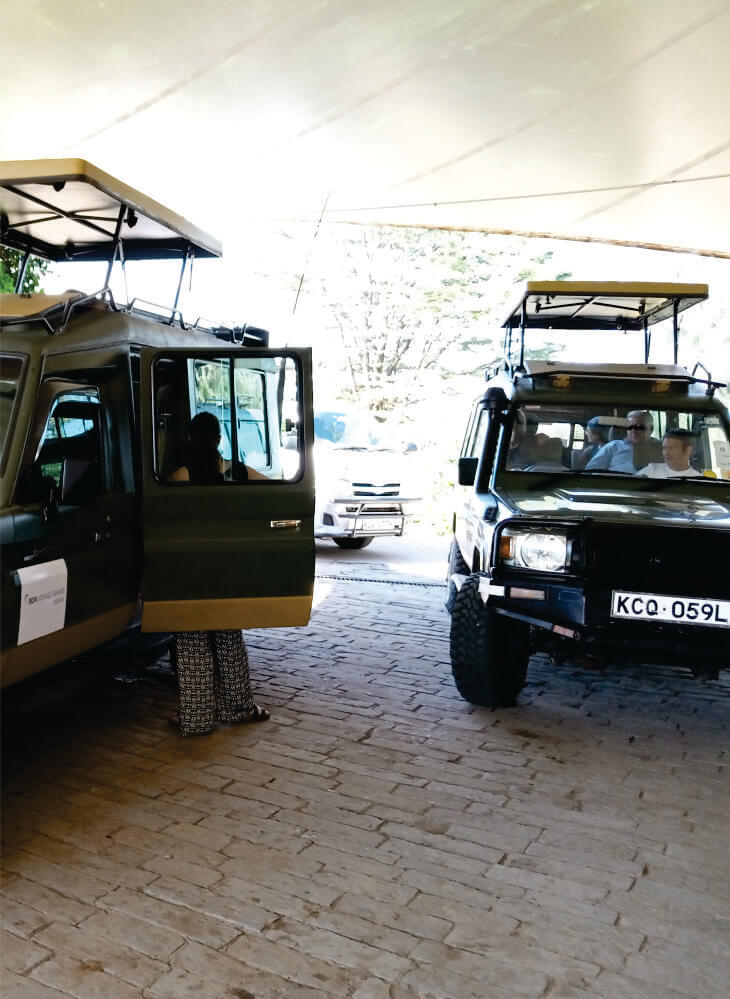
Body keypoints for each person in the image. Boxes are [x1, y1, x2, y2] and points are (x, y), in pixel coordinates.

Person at [168, 412, 269, 735]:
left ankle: (197, 720)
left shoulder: (181, 475)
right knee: (228, 637)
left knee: (192, 639)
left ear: (189, 439)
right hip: (227, 567)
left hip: (192, 568)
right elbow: (276, 491)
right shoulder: (239, 472)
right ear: (219, 439)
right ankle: (239, 708)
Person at [586, 410, 658, 473]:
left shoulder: (661, 447)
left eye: (639, 427)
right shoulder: (613, 446)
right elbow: (590, 472)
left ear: (651, 429)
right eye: (630, 427)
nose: (633, 431)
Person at [638, 428, 702, 478]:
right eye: (664, 448)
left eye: (671, 448)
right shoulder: (650, 471)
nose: (666, 453)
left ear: (688, 450)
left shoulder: (698, 479)